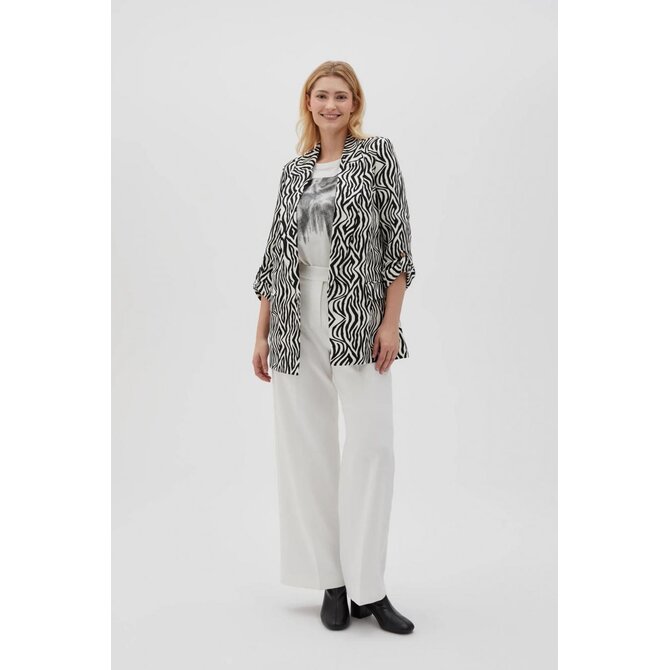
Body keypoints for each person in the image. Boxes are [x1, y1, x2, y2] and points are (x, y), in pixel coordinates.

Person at [251, 61, 416, 634]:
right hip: (294, 315)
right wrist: (262, 331)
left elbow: (398, 247)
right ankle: (333, 582)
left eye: (340, 96)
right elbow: (275, 253)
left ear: (355, 103)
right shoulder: (294, 171)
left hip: (358, 314)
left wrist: (390, 324)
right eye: (321, 95)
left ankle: (370, 588)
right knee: (308, 451)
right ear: (308, 101)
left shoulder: (377, 157)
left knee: (372, 447)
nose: (330, 105)